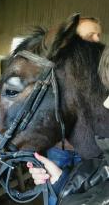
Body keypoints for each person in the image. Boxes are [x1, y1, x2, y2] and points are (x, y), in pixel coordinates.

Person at [27, 47, 109, 205]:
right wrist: (62, 181)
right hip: (60, 147)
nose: (105, 104)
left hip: (86, 148)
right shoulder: (54, 82)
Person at [46, 16, 102, 205]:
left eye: (98, 35)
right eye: (90, 35)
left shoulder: (100, 70)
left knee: (87, 192)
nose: (96, 40)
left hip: (89, 147)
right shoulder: (56, 69)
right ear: (72, 39)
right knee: (54, 191)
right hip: (59, 146)